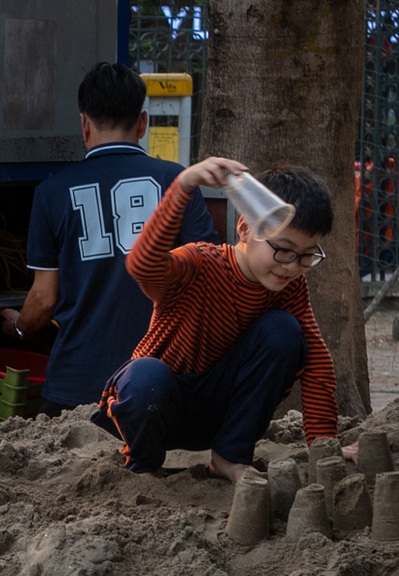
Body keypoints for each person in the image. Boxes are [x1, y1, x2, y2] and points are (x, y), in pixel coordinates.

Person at [100, 158, 346, 482]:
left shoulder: (290, 289)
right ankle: (144, 464)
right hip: (156, 405)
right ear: (244, 228)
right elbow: (142, 265)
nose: (292, 266)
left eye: (306, 255)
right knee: (146, 375)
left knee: (284, 332)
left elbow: (316, 363)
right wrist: (183, 185)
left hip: (220, 414)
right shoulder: (199, 263)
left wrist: (325, 447)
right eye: (284, 250)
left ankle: (229, 457)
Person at [3, 62, 213, 411]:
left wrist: (20, 328)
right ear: (142, 123)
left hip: (77, 385)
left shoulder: (51, 193)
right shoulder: (178, 182)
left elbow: (43, 299)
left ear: (84, 124)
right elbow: (206, 275)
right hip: (157, 377)